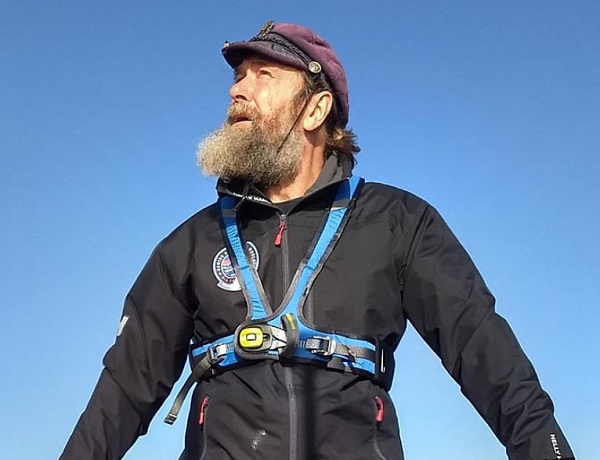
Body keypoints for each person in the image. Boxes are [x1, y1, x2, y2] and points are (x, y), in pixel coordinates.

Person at [61, 21, 575, 460]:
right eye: (239, 76)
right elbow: (122, 391)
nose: (238, 91)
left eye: (264, 75)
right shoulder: (190, 244)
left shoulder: (399, 222)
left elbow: (485, 353)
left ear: (315, 109)